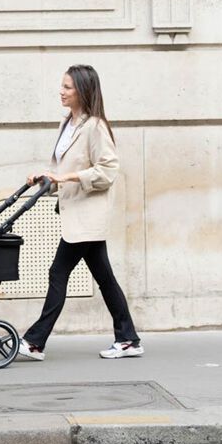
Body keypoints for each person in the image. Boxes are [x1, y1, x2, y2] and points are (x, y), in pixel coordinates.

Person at [18, 64, 143, 361]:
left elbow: (107, 171)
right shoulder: (67, 124)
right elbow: (63, 171)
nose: (61, 92)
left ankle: (35, 341)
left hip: (87, 217)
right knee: (105, 277)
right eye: (61, 86)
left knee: (58, 272)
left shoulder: (95, 126)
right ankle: (128, 339)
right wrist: (46, 179)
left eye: (67, 87)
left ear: (83, 91)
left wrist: (66, 177)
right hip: (76, 215)